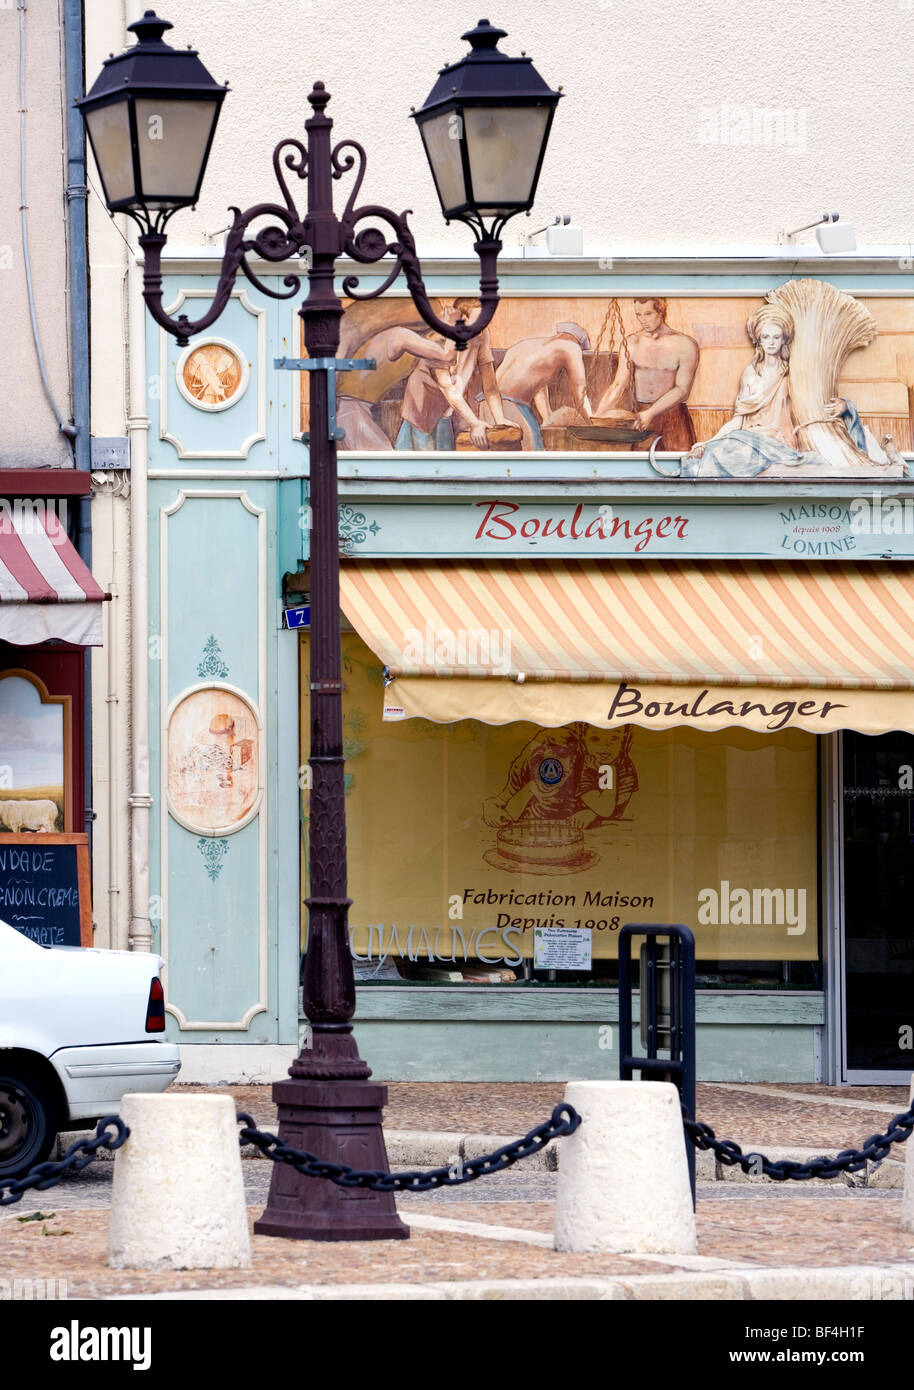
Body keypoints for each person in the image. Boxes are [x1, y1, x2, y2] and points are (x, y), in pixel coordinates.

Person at [675, 303, 892, 478]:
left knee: (725, 452)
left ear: (784, 339)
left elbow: (816, 408)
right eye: (766, 337)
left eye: (776, 337)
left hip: (779, 442)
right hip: (748, 437)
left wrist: (844, 406)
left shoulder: (792, 373)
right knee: (718, 449)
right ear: (758, 339)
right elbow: (739, 421)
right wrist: (709, 441)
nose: (771, 342)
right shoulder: (750, 373)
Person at [395, 298, 511, 450]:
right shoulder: (441, 337)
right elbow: (447, 387)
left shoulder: (482, 335)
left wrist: (500, 418)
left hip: (447, 411)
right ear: (460, 321)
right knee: (420, 465)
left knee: (445, 459)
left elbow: (490, 386)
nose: (480, 328)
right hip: (422, 410)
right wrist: (474, 423)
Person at [593, 298, 699, 450]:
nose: (643, 320)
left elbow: (683, 390)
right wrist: (598, 416)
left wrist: (651, 413)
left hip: (674, 418)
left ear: (661, 311)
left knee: (682, 467)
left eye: (648, 314)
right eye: (639, 315)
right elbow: (618, 384)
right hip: (641, 418)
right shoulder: (632, 343)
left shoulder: (685, 344)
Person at [489, 322, 595, 449]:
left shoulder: (532, 346)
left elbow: (538, 388)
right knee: (533, 455)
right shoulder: (571, 346)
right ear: (579, 342)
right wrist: (592, 423)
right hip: (511, 407)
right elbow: (579, 389)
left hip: (489, 405)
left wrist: (547, 419)